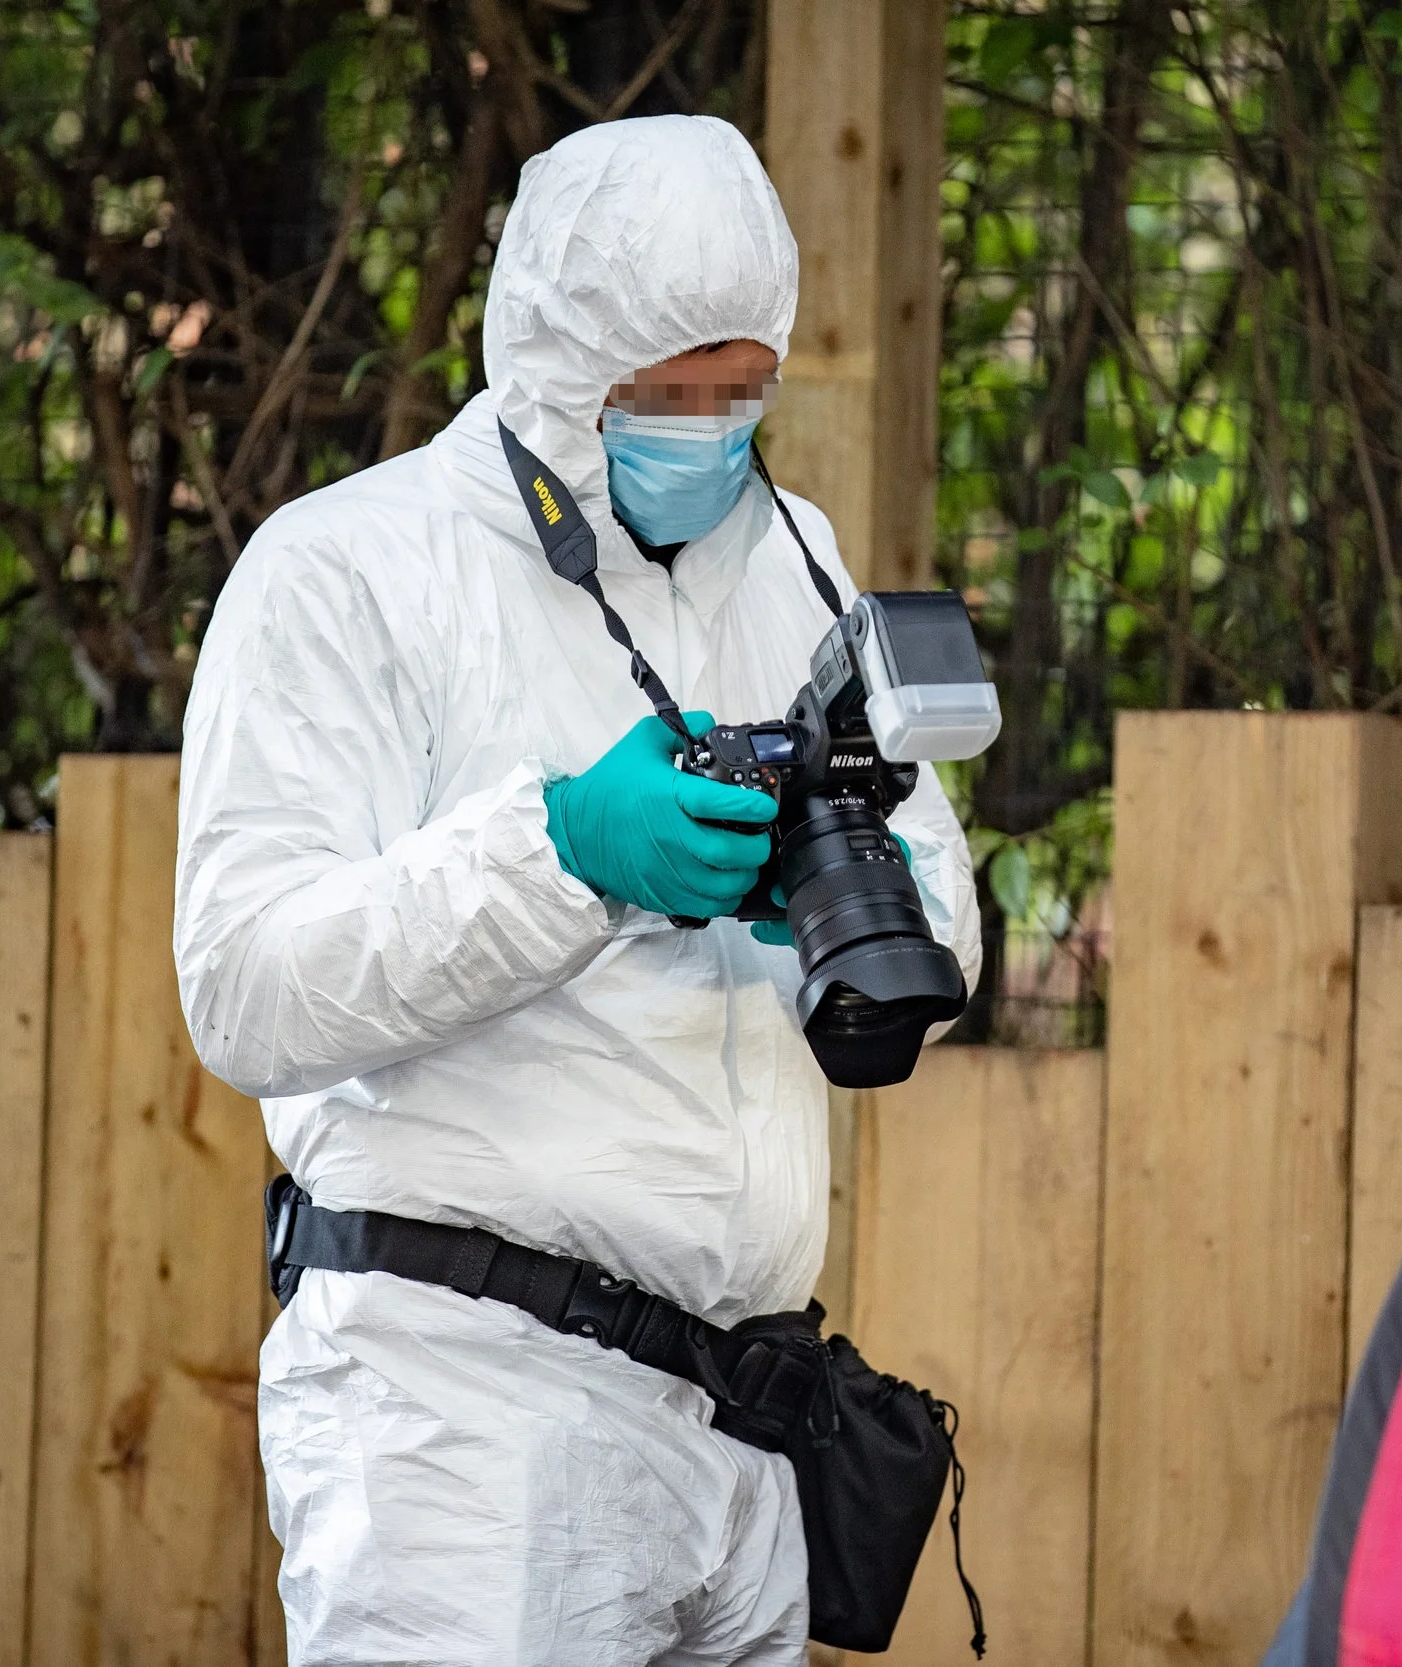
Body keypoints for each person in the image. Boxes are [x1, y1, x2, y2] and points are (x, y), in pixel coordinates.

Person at [173, 114, 981, 1667]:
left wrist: (838, 889)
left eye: (744, 392)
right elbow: (245, 986)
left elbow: (937, 912)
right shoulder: (349, 570)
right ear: (557, 372)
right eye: (668, 399)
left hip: (745, 1432)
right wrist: (560, 852)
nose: (712, 433)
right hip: (467, 1439)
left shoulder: (792, 560)